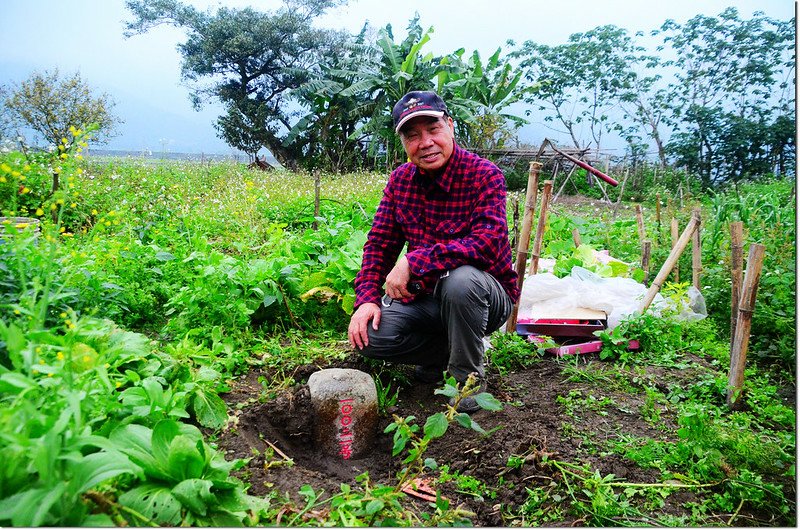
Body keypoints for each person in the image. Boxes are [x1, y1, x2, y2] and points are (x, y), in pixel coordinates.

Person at [347, 90, 520, 413]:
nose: (425, 142)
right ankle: (445, 353)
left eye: (433, 130)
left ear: (450, 126)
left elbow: (486, 244)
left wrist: (414, 260)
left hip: (485, 297)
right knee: (372, 336)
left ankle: (464, 381)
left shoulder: (484, 175)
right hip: (428, 298)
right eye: (413, 136)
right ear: (403, 143)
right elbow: (379, 245)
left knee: (462, 281)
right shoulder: (401, 181)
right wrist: (366, 299)